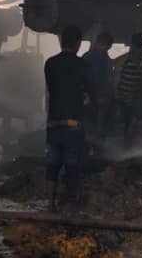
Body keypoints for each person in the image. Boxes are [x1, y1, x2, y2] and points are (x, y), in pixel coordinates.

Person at [44, 25, 95, 212]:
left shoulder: (50, 63)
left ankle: (50, 204)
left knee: (52, 164)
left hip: (53, 122)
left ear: (62, 41)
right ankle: (70, 205)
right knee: (72, 164)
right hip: (73, 123)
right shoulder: (83, 65)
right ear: (78, 43)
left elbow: (51, 89)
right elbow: (90, 93)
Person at [113, 33, 142, 150]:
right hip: (122, 98)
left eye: (140, 47)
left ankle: (129, 147)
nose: (138, 50)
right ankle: (126, 146)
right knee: (129, 122)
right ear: (132, 46)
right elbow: (116, 81)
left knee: (133, 122)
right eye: (137, 47)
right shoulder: (123, 61)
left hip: (136, 98)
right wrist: (116, 99)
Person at [82, 32, 115, 140]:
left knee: (89, 121)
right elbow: (103, 77)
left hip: (87, 95)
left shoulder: (86, 56)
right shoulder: (102, 57)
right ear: (107, 45)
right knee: (100, 121)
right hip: (100, 94)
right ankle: (98, 139)